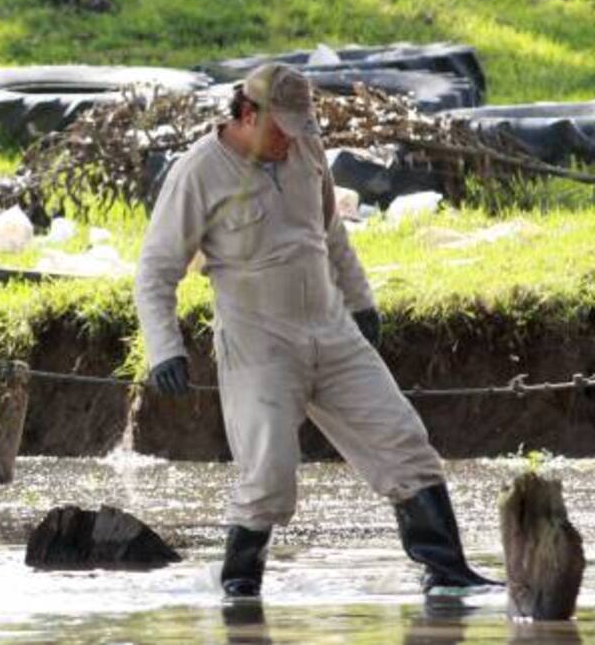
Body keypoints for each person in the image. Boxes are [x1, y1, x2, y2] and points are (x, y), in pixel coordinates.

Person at [134, 63, 498, 598]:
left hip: (331, 330)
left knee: (404, 441)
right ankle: (238, 589)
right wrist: (164, 350)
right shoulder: (199, 172)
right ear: (247, 113)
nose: (292, 138)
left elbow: (331, 234)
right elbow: (155, 270)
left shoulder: (304, 150)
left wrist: (360, 301)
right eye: (281, 126)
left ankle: (448, 576)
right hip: (257, 345)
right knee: (269, 476)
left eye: (300, 125)